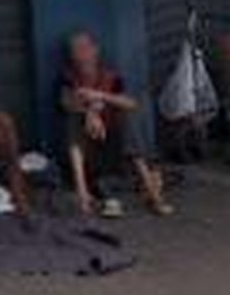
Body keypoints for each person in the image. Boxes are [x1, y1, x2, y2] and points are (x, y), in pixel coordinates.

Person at [53, 28, 174, 219]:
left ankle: (152, 191)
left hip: (116, 148)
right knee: (73, 121)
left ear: (95, 50)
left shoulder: (109, 77)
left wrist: (100, 96)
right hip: (89, 151)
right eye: (75, 50)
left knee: (128, 118)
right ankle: (83, 193)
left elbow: (131, 103)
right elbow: (66, 102)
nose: (81, 54)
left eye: (85, 48)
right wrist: (90, 112)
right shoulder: (67, 78)